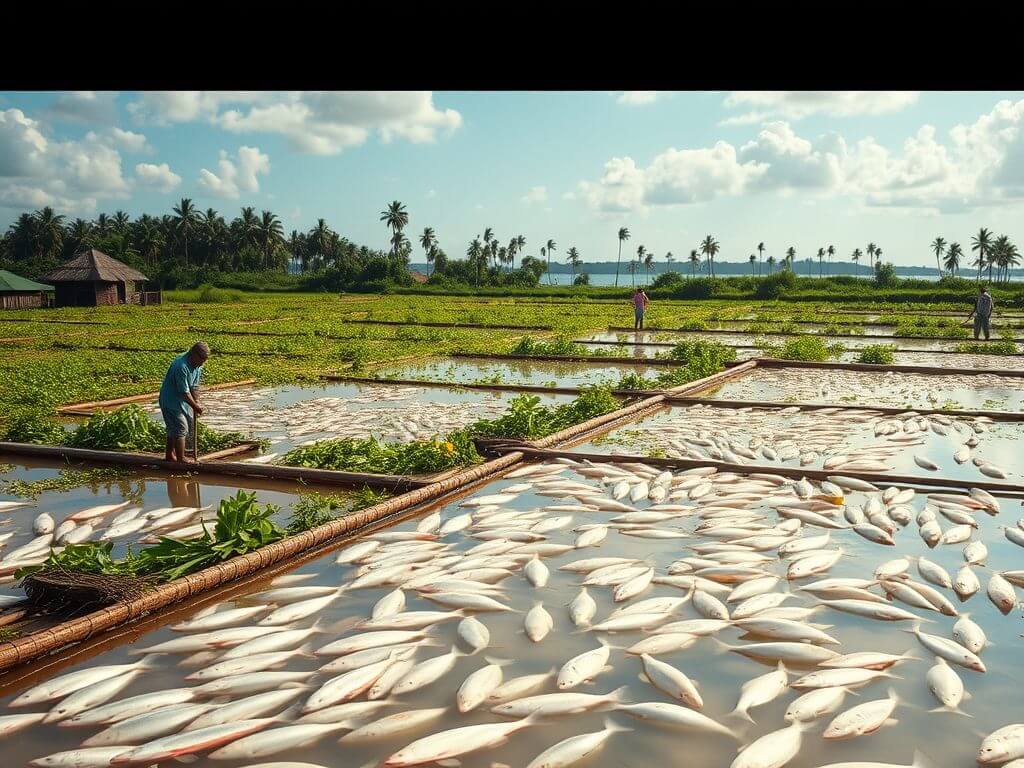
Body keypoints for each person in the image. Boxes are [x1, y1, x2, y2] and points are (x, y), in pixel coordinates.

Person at [159, 341, 209, 462]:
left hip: (180, 401)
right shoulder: (181, 366)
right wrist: (195, 406)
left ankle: (170, 455)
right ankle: (181, 459)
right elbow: (184, 392)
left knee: (173, 429)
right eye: (201, 360)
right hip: (170, 401)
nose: (202, 363)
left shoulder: (197, 365)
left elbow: (194, 386)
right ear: (194, 355)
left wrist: (196, 402)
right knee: (181, 428)